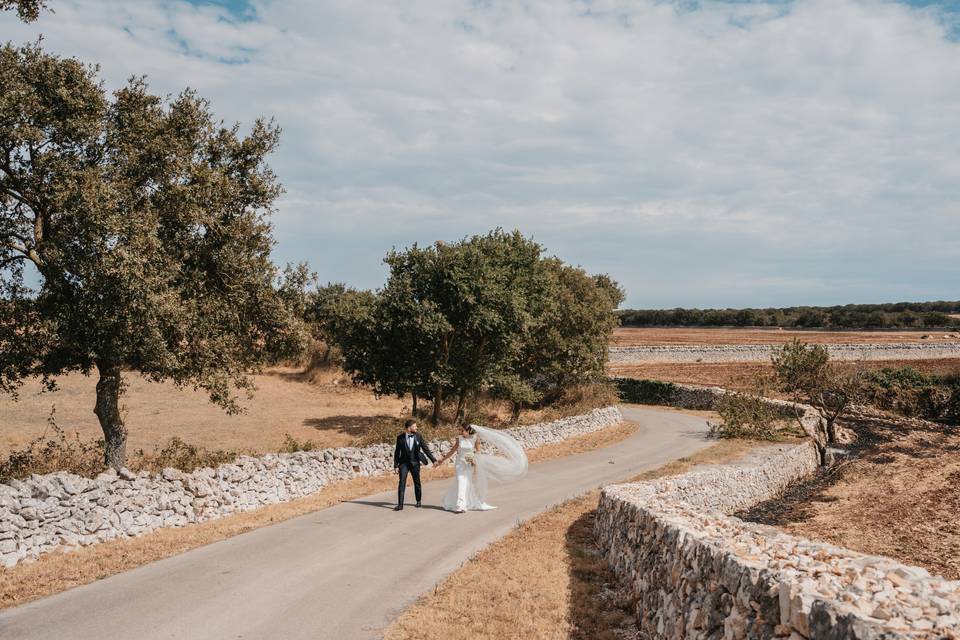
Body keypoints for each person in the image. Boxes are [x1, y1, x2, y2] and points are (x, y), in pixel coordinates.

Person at [434, 424, 528, 513]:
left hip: (469, 464)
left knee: (466, 483)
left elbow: (478, 452)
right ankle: (460, 505)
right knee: (460, 480)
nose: (460, 432)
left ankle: (459, 501)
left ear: (468, 431)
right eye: (460, 430)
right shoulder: (459, 439)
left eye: (462, 430)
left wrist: (473, 459)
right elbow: (452, 451)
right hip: (459, 464)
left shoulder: (475, 438)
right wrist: (442, 460)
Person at [393, 419, 436, 511]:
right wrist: (396, 465)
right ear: (409, 428)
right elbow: (397, 452)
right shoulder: (400, 438)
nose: (416, 428)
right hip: (403, 464)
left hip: (415, 463)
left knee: (417, 482)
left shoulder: (418, 436)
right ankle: (400, 505)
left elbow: (426, 449)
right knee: (402, 483)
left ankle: (418, 501)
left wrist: (434, 460)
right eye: (414, 426)